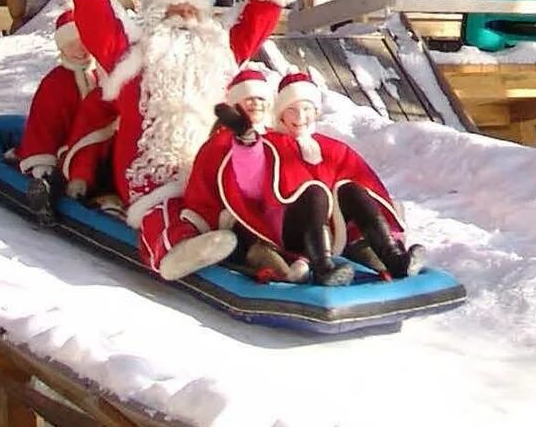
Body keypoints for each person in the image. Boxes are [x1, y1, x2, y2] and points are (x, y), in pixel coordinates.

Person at [57, 0, 305, 276]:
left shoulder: (221, 50)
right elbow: (94, 19)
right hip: (153, 172)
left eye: (192, 10)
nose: (186, 17)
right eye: (175, 10)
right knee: (166, 208)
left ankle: (273, 254)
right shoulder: (131, 57)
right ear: (157, 14)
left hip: (214, 165)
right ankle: (176, 249)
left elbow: (259, 17)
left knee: (250, 196)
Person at [176, 70, 423, 286]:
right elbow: (249, 180)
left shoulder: (332, 148)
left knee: (352, 189)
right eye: (291, 111)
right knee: (314, 191)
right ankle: (324, 268)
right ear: (281, 116)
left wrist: (389, 230)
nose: (300, 117)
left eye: (306, 109)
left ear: (316, 112)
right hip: (284, 229)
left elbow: (369, 185)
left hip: (330, 230)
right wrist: (246, 141)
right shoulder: (271, 144)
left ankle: (394, 257)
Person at [13, 10, 116, 221]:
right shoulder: (55, 83)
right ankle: (47, 193)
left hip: (93, 149)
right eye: (71, 43)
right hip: (64, 152)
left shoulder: (103, 76)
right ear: (61, 47)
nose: (79, 49)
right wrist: (44, 163)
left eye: (84, 42)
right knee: (59, 176)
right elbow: (44, 125)